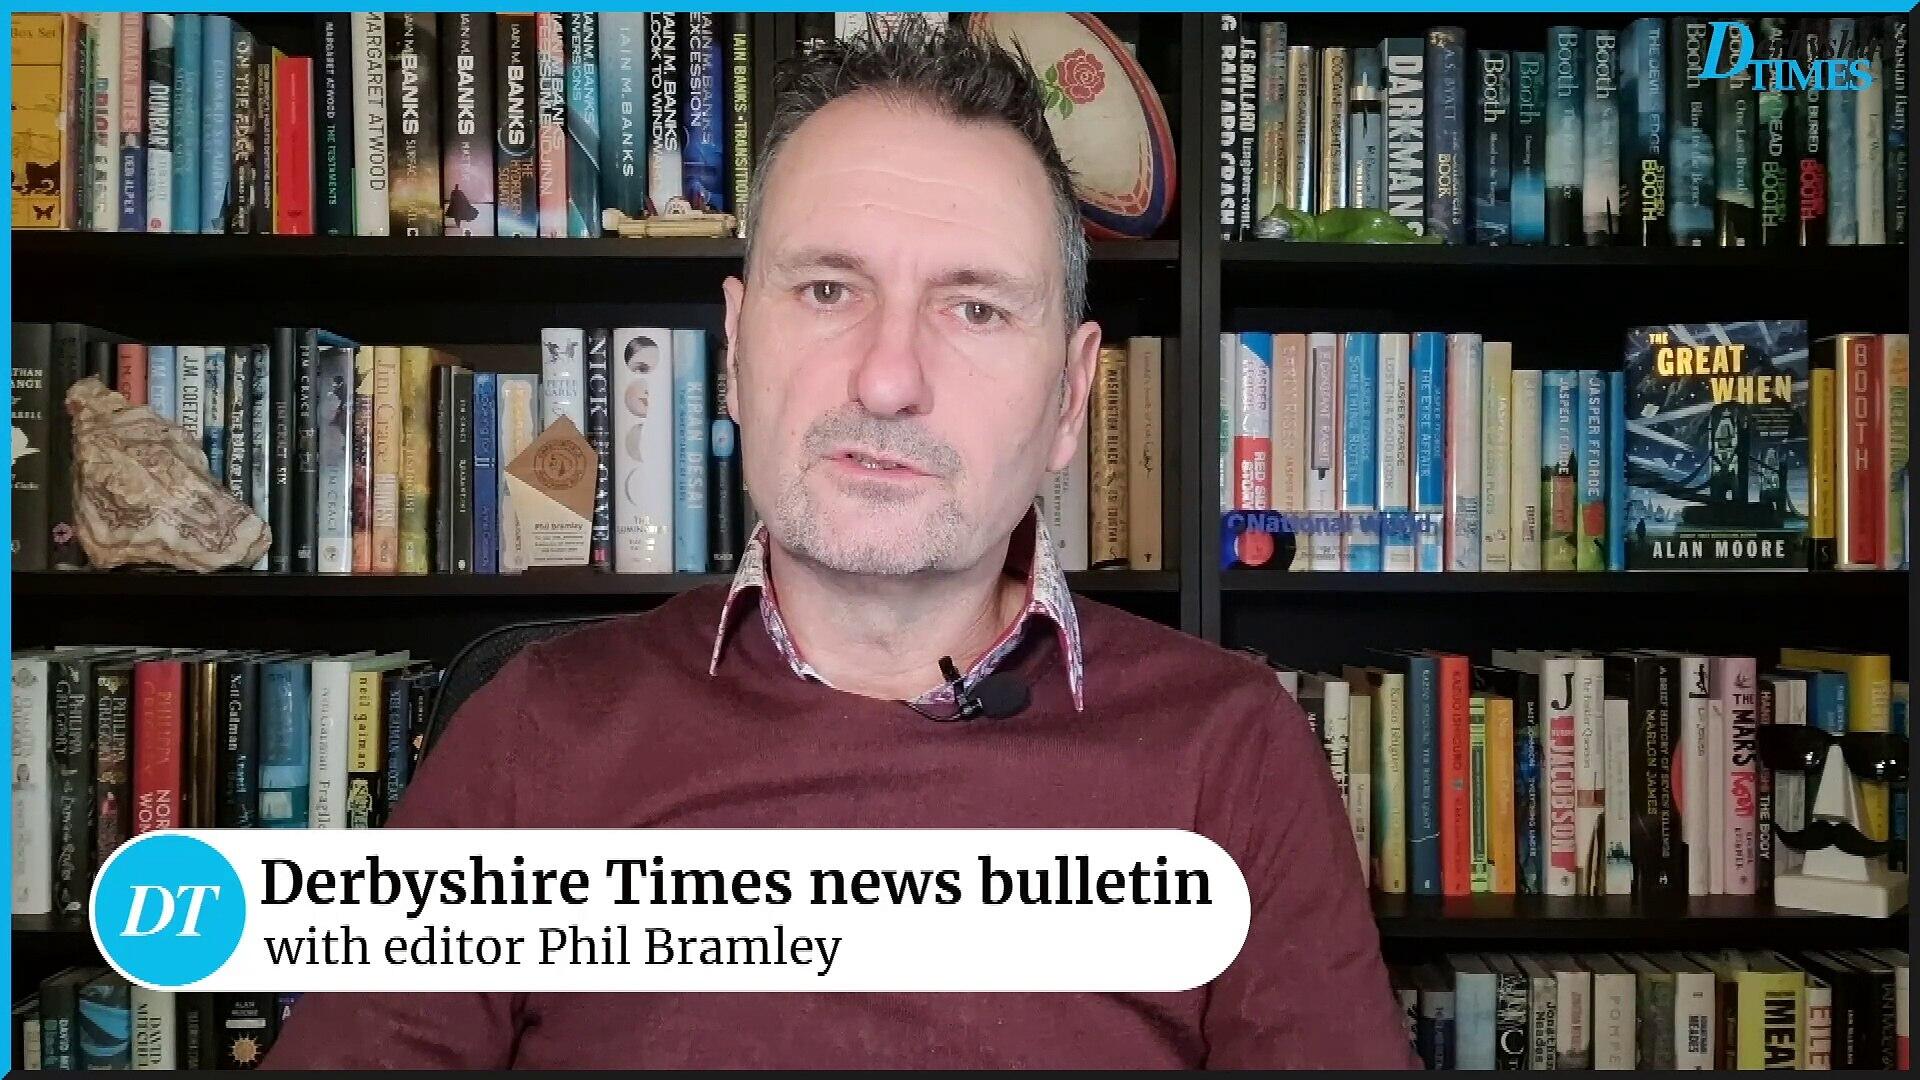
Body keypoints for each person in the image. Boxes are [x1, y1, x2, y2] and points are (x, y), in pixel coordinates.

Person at [266, 25, 1416, 1070]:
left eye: (976, 308)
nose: (888, 378)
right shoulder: (534, 732)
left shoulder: (1234, 751)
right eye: (827, 289)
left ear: (1071, 398)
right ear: (734, 347)